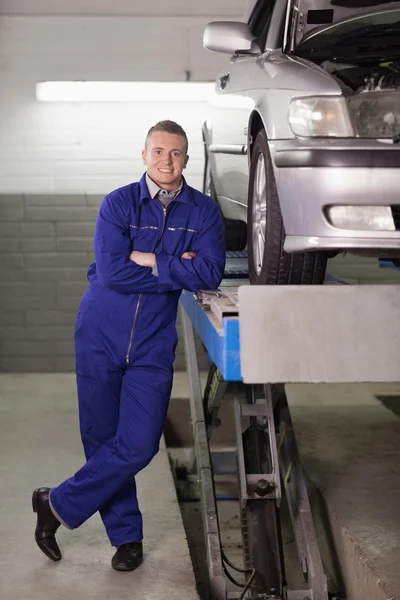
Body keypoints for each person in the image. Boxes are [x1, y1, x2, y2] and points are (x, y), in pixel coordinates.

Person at [32, 120, 225, 572]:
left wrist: (148, 258)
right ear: (144, 155)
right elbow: (114, 274)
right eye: (158, 152)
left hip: (152, 346)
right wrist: (177, 265)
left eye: (175, 153)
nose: (166, 160)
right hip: (99, 335)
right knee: (102, 443)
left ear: (186, 159)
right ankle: (127, 539)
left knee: (139, 445)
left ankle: (54, 503)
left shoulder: (203, 212)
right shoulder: (118, 203)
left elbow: (211, 273)